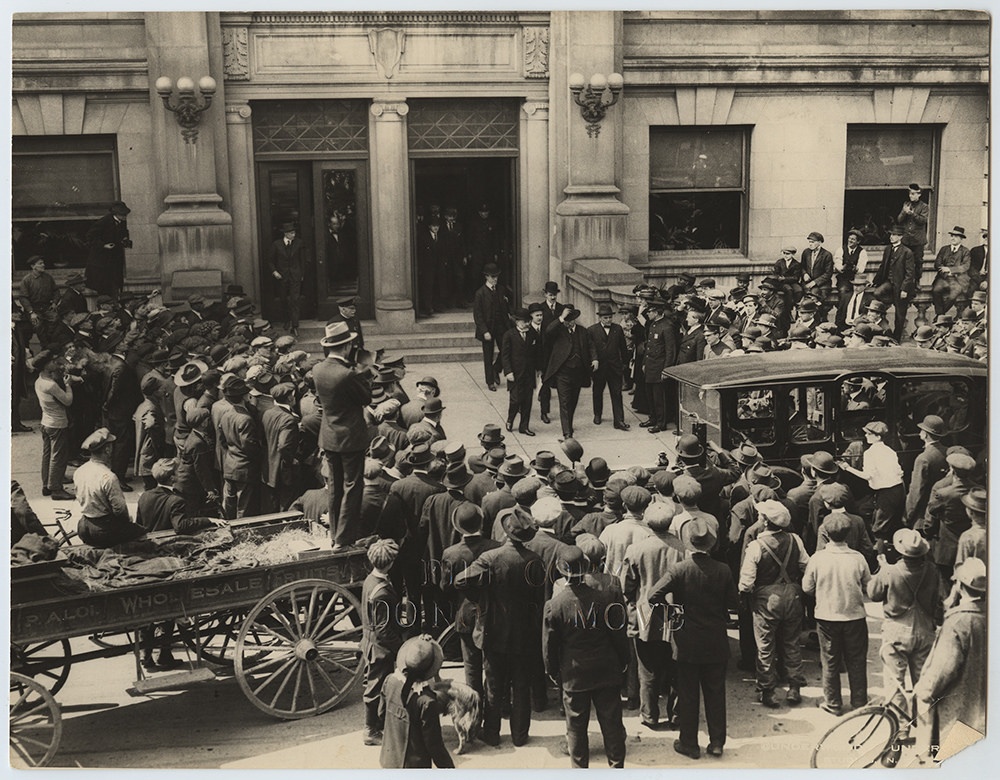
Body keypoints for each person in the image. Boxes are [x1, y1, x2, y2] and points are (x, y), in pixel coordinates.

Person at [454, 507, 546, 747]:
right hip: (524, 632)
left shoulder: (490, 558)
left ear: (506, 532)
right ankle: (520, 735)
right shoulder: (535, 561)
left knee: (493, 686)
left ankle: (492, 733)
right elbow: (539, 599)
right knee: (521, 685)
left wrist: (481, 598)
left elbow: (460, 580)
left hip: (493, 631)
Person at [648, 518, 738, 759]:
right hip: (715, 640)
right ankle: (717, 742)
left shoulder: (679, 570)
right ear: (711, 544)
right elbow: (733, 603)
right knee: (715, 693)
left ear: (689, 542)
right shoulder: (723, 570)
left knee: (687, 694)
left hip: (686, 641)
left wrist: (672, 614)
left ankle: (689, 743)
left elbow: (653, 595)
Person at [543, 545, 629, 768]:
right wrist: (624, 662)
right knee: (612, 725)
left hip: (574, 675)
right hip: (606, 669)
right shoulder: (606, 597)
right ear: (586, 568)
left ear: (561, 571)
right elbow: (619, 635)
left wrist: (553, 671)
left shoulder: (555, 605)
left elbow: (549, 645)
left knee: (576, 728)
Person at [738, 500, 810, 709]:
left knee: (765, 646)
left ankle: (768, 690)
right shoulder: (795, 540)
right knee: (792, 643)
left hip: (766, 600)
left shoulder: (755, 546)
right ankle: (794, 686)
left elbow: (746, 582)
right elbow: (806, 564)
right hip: (793, 596)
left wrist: (745, 595)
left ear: (764, 521)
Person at [622, 501, 685, 730]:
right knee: (677, 668)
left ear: (648, 522)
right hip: (676, 615)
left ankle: (649, 715)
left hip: (646, 615)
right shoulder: (683, 549)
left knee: (647, 669)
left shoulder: (636, 550)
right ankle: (677, 715)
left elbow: (627, 587)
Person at [913, 557, 987, 753]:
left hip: (959, 712)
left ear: (959, 586)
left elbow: (944, 669)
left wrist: (925, 691)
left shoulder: (958, 622)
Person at [802, 512, 872, 716]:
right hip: (854, 616)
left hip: (827, 617)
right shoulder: (858, 558)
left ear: (825, 532)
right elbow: (868, 586)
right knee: (856, 660)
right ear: (848, 533)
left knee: (830, 660)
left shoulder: (817, 558)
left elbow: (807, 587)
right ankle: (859, 701)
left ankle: (832, 702)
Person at [867, 529, 942, 713]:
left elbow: (873, 594)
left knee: (895, 683)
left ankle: (900, 724)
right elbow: (939, 600)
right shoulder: (932, 570)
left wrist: (882, 568)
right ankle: (924, 722)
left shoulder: (890, 571)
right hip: (925, 629)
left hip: (896, 630)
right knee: (924, 682)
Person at [313, 321, 372, 549]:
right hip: (350, 438)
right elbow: (366, 398)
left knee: (335, 486)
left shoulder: (318, 369)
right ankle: (345, 539)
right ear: (347, 347)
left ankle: (335, 534)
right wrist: (364, 371)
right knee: (352, 486)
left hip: (329, 436)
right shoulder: (347, 374)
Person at [441, 504, 501, 697]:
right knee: (493, 666)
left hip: (465, 613)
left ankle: (474, 705)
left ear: (457, 527)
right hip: (492, 613)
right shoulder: (495, 547)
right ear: (481, 523)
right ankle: (495, 705)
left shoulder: (451, 553)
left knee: (471, 666)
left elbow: (445, 587)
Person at [379, 635, 454, 768]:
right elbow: (434, 744)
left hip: (389, 760)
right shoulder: (427, 701)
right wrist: (449, 768)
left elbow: (381, 714)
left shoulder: (390, 680)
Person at [837, 421, 905, 558]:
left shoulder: (870, 453)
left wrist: (847, 468)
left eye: (869, 434)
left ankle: (880, 559)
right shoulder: (889, 450)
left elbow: (867, 476)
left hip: (886, 492)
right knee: (890, 522)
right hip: (898, 489)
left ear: (878, 437)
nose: (866, 436)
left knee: (879, 529)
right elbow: (899, 471)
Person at [74, 427, 147, 547]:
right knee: (142, 533)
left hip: (84, 525)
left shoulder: (80, 471)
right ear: (107, 450)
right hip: (103, 530)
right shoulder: (108, 477)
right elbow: (120, 510)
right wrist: (128, 524)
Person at [362, 538, 404, 747]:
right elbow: (383, 630)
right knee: (375, 687)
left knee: (378, 685)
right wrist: (401, 648)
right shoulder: (382, 593)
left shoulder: (370, 580)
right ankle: (370, 731)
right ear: (391, 563)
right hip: (380, 647)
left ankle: (379, 723)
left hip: (370, 642)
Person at [543, 304, 598, 442]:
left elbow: (591, 346)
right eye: (567, 320)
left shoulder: (583, 331)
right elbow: (548, 331)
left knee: (573, 401)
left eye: (571, 319)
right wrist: (561, 318)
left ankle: (569, 424)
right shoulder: (558, 331)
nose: (569, 322)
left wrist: (595, 359)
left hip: (578, 372)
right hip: (563, 373)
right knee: (564, 402)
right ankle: (567, 432)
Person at [33, 350, 76, 501]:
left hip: (46, 423)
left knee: (47, 456)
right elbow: (68, 401)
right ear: (45, 366)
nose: (56, 363)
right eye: (52, 362)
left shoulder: (39, 380)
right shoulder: (51, 385)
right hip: (57, 424)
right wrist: (68, 385)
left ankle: (46, 485)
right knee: (58, 457)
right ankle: (56, 489)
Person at [588, 302, 630, 430]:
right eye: (605, 318)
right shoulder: (592, 330)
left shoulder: (618, 329)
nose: (608, 320)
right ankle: (597, 414)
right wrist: (593, 361)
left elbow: (623, 347)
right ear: (600, 318)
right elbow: (590, 348)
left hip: (615, 367)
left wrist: (624, 363)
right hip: (599, 368)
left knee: (617, 393)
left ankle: (619, 420)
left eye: (610, 317)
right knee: (597, 391)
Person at [872, 224, 917, 341]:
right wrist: (874, 281)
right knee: (877, 293)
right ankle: (890, 302)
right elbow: (883, 267)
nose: (891, 237)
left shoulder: (907, 252)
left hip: (900, 285)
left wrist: (904, 289)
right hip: (889, 282)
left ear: (900, 237)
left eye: (895, 235)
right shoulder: (888, 249)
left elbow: (910, 274)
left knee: (900, 314)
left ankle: (896, 338)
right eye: (891, 234)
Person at [472, 262, 513, 391]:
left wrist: (509, 324)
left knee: (506, 350)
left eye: (497, 276)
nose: (495, 279)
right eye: (493, 276)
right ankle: (490, 381)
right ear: (486, 277)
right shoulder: (480, 293)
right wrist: (484, 331)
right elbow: (478, 315)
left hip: (501, 326)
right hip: (488, 328)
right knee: (488, 355)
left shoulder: (501, 289)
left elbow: (506, 308)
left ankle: (496, 368)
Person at [639, 296, 676, 435]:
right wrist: (644, 363)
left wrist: (666, 369)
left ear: (657, 312)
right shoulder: (653, 325)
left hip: (660, 366)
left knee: (659, 397)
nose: (648, 314)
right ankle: (653, 418)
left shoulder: (667, 326)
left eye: (650, 311)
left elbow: (670, 350)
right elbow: (649, 346)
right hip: (650, 366)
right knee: (650, 395)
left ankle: (661, 422)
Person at [905, 415, 949, 529]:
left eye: (921, 430)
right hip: (941, 509)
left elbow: (916, 490)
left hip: (924, 513)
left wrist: (908, 515)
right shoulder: (947, 452)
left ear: (925, 434)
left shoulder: (923, 458)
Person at [500, 308, 537, 435]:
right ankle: (510, 419)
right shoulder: (509, 335)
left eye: (528, 321)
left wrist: (538, 369)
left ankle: (524, 426)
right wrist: (508, 371)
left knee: (527, 401)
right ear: (517, 322)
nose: (527, 324)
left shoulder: (532, 334)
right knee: (515, 400)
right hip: (515, 374)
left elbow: (537, 352)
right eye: (524, 321)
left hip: (529, 373)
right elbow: (504, 356)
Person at [85, 200, 131, 297]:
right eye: (122, 214)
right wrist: (103, 245)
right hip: (102, 262)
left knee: (116, 286)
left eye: (125, 214)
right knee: (105, 289)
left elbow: (124, 233)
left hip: (115, 261)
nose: (125, 217)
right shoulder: (103, 222)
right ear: (116, 213)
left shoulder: (122, 222)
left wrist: (125, 240)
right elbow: (89, 237)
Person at [268, 221, 307, 335]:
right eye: (291, 233)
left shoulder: (299, 243)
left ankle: (295, 325)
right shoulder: (276, 244)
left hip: (295, 276)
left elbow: (303, 260)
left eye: (294, 232)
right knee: (283, 299)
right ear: (285, 234)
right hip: (281, 277)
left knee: (295, 300)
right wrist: (274, 272)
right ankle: (286, 320)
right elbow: (270, 260)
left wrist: (302, 274)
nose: (293, 235)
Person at [537, 281, 565, 423]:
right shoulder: (540, 309)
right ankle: (544, 412)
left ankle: (565, 413)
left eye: (554, 295)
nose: (552, 297)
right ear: (545, 294)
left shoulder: (562, 309)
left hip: (560, 350)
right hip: (546, 351)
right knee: (546, 382)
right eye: (550, 295)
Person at [930, 226, 972, 317]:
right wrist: (944, 271)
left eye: (956, 236)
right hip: (943, 277)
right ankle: (940, 315)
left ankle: (939, 315)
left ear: (961, 239)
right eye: (952, 236)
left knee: (954, 294)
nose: (953, 238)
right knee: (936, 290)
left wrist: (950, 270)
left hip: (957, 279)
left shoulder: (965, 251)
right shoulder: (944, 249)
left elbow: (965, 266)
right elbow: (937, 263)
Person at [800, 231, 834, 318]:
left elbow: (828, 273)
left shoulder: (827, 255)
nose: (810, 244)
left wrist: (815, 282)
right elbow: (802, 266)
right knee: (806, 297)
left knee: (817, 297)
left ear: (819, 242)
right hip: (807, 283)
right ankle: (804, 318)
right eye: (809, 242)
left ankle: (820, 318)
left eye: (812, 242)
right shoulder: (806, 252)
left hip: (822, 284)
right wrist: (804, 274)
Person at [834, 229, 870, 304]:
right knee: (843, 290)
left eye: (853, 239)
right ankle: (843, 310)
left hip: (857, 279)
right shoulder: (841, 250)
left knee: (860, 293)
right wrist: (842, 268)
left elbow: (861, 268)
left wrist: (856, 269)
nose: (850, 240)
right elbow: (837, 263)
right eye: (849, 238)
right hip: (844, 278)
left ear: (858, 242)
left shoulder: (862, 252)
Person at [897, 182, 930, 265]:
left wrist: (912, 214)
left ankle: (917, 274)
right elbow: (899, 220)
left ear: (919, 194)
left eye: (913, 194)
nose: (910, 196)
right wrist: (904, 212)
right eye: (909, 194)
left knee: (918, 262)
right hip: (906, 240)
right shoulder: (907, 204)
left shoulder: (924, 206)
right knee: (904, 262)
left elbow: (923, 220)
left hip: (918, 241)